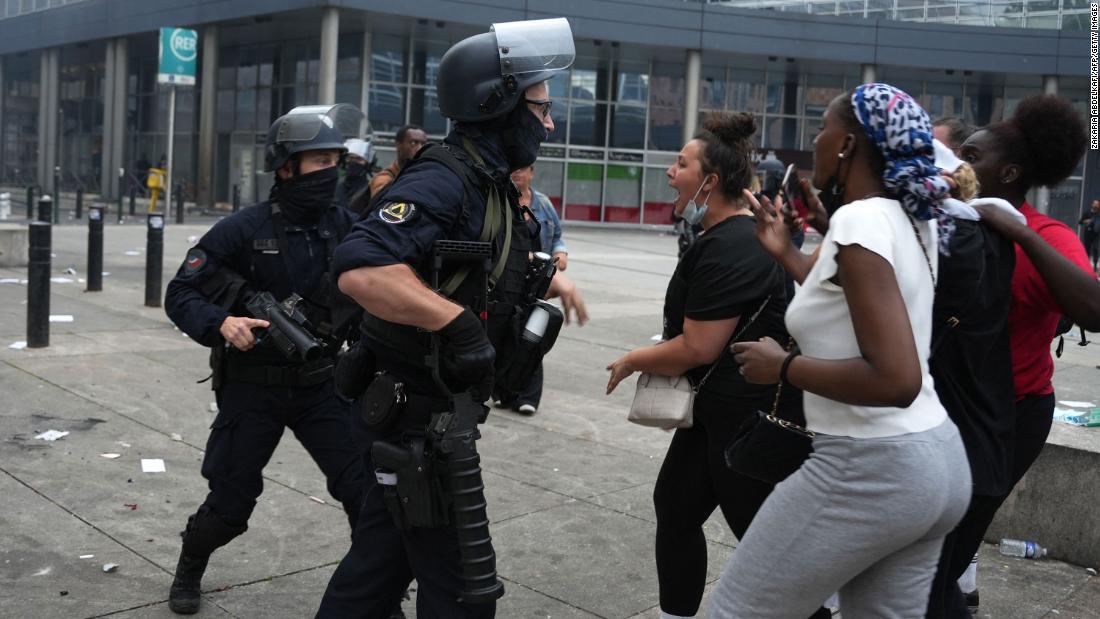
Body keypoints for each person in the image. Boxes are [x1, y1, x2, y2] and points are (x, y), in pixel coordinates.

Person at [316, 18, 583, 618]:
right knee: (461, 592)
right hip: (410, 417)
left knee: (381, 571)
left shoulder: (491, 185)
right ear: (499, 104)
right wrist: (457, 325)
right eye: (540, 108)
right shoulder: (445, 177)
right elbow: (361, 268)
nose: (549, 122)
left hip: (435, 417)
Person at [712, 83, 970, 618]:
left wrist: (783, 367)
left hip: (869, 466)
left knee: (735, 612)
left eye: (823, 129)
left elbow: (896, 379)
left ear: (849, 144)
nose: (816, 141)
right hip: (936, 463)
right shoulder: (912, 219)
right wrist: (787, 253)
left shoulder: (861, 220)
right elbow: (852, 307)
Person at [605, 112, 824, 619]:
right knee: (676, 508)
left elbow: (700, 346)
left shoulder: (736, 245)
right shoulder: (719, 236)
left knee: (763, 541)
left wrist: (634, 359)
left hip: (746, 416)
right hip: (715, 411)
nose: (669, 172)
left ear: (711, 180)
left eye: (680, 164)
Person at [162, 104, 369, 615]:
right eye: (317, 161)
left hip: (323, 384)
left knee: (367, 497)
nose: (330, 173)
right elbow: (181, 292)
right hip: (253, 386)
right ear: (285, 168)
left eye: (335, 161)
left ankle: (376, 595)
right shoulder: (242, 229)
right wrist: (222, 324)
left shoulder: (350, 226)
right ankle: (191, 563)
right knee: (230, 507)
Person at [927, 94, 1098, 618]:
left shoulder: (1045, 235)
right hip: (943, 407)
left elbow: (1094, 309)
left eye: (972, 156)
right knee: (922, 562)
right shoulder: (948, 221)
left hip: (1010, 417)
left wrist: (1018, 230)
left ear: (1010, 172)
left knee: (936, 564)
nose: (960, 165)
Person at [493, 163, 571, 415]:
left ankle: (528, 397)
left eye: (523, 169)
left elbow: (557, 234)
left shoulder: (543, 204)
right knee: (505, 334)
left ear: (532, 173)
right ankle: (502, 392)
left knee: (533, 336)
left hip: (537, 283)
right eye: (513, 168)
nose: (516, 172)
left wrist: (561, 253)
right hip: (506, 281)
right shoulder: (501, 200)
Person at [368, 124, 428, 197]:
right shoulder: (384, 178)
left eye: (423, 144)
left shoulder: (426, 175)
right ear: (398, 145)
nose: (420, 148)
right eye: (413, 143)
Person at [341, 133, 377, 216]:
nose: (353, 162)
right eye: (350, 158)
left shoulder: (371, 190)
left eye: (358, 159)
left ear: (367, 164)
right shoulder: (335, 186)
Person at [1078, 199, 1099, 271]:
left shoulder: (1099, 214)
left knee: (1095, 250)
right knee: (1087, 250)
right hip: (1088, 234)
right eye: (1095, 204)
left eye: (1097, 204)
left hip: (1097, 235)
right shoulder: (1087, 213)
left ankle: (1095, 266)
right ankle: (1086, 265)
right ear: (1092, 204)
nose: (1096, 205)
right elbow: (1080, 222)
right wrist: (1086, 221)